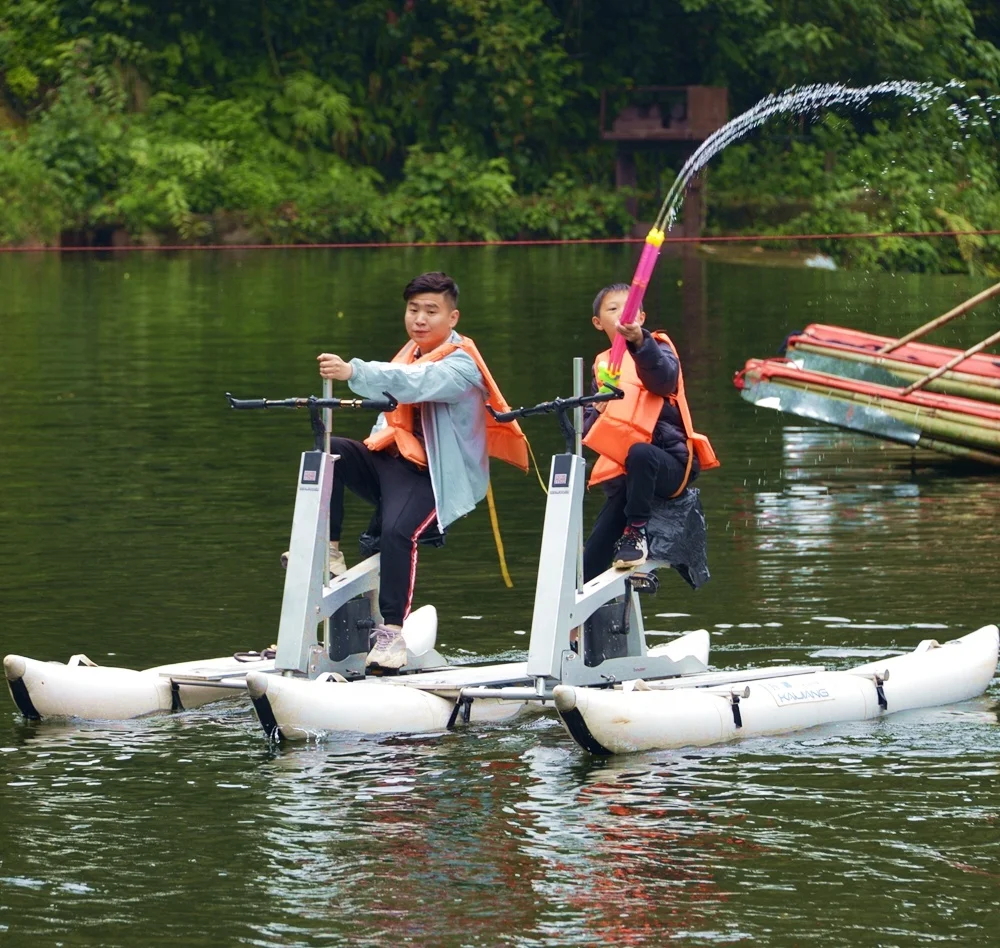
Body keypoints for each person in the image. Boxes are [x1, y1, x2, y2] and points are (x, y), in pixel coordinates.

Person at [314, 271, 527, 670]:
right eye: (414, 310)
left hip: (432, 476)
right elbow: (395, 384)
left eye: (432, 311)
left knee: (397, 532)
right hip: (391, 461)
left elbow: (412, 384)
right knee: (330, 452)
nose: (420, 319)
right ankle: (329, 551)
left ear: (453, 318)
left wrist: (353, 372)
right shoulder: (408, 351)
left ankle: (392, 635)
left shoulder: (461, 365)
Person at [581, 283, 718, 580]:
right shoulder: (603, 369)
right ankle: (583, 621)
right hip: (629, 479)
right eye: (612, 310)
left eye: (628, 310)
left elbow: (664, 382)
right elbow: (589, 433)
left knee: (641, 453)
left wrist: (641, 343)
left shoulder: (659, 348)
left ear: (641, 317)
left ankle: (636, 534)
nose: (621, 316)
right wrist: (601, 405)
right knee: (590, 559)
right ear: (598, 322)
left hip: (669, 467)